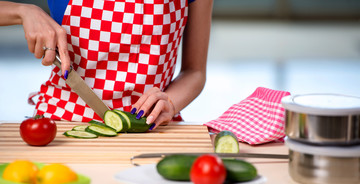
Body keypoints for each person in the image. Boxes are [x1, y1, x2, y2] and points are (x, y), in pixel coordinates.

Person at [0, 0, 212, 130]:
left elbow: (194, 72)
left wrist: (170, 103)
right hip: (62, 122)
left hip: (151, 127)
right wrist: (23, 11)